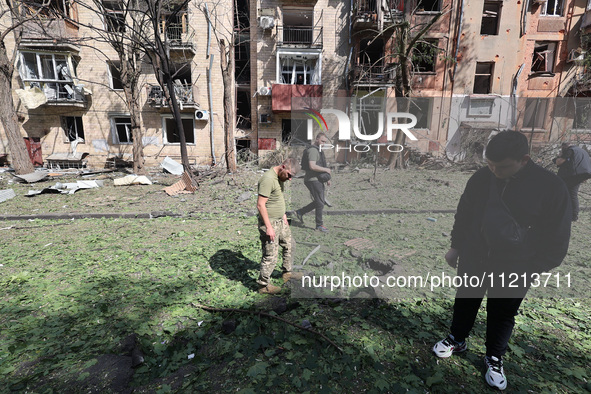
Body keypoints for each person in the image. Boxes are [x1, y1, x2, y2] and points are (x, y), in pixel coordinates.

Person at [433, 131, 572, 390]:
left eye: (502, 166)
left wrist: (535, 267)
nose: (495, 171)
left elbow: (558, 233)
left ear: (524, 159)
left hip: (517, 265)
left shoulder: (551, 187)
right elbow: (464, 213)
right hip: (475, 256)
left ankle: (494, 357)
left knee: (503, 312)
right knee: (466, 299)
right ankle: (457, 338)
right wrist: (455, 246)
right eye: (490, 164)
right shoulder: (481, 178)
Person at [256, 158, 301, 294]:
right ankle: (263, 285)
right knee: (271, 255)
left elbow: (277, 198)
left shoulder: (280, 178)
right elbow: (260, 204)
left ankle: (287, 273)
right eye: (289, 175)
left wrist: (283, 215)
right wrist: (269, 227)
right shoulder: (268, 179)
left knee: (290, 244)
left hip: (281, 221)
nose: (290, 179)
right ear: (283, 167)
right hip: (270, 223)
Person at [292, 133, 332, 232]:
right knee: (320, 203)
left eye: (325, 142)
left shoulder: (317, 149)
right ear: (317, 139)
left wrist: (327, 178)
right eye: (322, 141)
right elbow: (312, 166)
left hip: (317, 179)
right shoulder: (313, 150)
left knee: (320, 201)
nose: (323, 143)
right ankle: (319, 225)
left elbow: (319, 164)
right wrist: (326, 170)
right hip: (312, 180)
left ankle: (300, 212)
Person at [553, 142, 591, 221]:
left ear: (565, 147)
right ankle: (573, 214)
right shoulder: (582, 151)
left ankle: (568, 213)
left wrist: (556, 158)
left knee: (560, 190)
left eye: (562, 148)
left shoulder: (570, 150)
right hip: (582, 174)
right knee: (572, 193)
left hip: (572, 175)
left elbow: (560, 161)